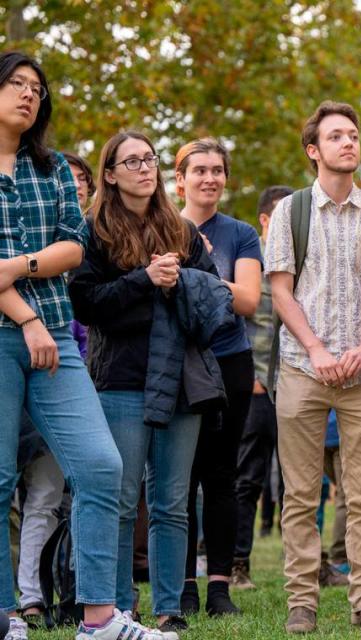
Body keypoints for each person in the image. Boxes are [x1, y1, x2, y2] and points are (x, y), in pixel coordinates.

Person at [0, 51, 174, 640]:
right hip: (18, 334)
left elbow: (73, 248)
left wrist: (15, 266)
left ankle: (99, 620)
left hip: (55, 341)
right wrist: (25, 313)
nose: (29, 95)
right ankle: (5, 617)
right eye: (17, 84)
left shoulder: (48, 168)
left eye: (36, 87)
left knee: (100, 467)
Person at [69, 130, 229, 634]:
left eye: (150, 158)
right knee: (119, 500)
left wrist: (184, 280)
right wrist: (144, 280)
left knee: (173, 501)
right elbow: (86, 305)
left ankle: (169, 609)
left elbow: (215, 300)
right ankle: (117, 607)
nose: (145, 168)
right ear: (110, 174)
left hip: (180, 379)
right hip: (120, 379)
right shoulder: (92, 230)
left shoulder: (180, 230)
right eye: (131, 161)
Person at [264, 100, 361, 633]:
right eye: (335, 136)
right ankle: (302, 603)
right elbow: (280, 290)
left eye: (352, 134)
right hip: (304, 369)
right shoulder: (291, 212)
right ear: (313, 150)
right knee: (302, 495)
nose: (348, 142)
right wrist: (320, 351)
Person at [175, 137, 262, 617]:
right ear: (180, 178)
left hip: (230, 360)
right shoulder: (162, 226)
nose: (209, 178)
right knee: (180, 478)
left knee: (222, 474)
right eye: (199, 170)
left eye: (217, 170)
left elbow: (248, 301)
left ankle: (220, 587)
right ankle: (184, 585)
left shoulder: (242, 233)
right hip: (179, 363)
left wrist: (198, 267)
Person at [15, 150, 93, 629]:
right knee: (26, 497)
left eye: (82, 179)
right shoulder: (34, 243)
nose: (77, 185)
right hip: (33, 370)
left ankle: (58, 597)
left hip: (79, 382)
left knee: (65, 496)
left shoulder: (91, 243)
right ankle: (22, 601)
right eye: (71, 178)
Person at [231, 185, 293, 590]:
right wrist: (251, 377)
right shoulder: (252, 263)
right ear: (266, 221)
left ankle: (309, 563)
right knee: (248, 478)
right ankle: (237, 564)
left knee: (298, 481)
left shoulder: (300, 262)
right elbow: (244, 321)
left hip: (296, 385)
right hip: (256, 387)